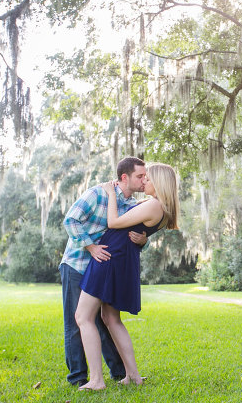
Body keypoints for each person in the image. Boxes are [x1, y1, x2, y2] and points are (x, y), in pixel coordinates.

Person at [74, 162, 180, 391]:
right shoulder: (158, 208)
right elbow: (137, 229)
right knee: (111, 318)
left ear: (159, 183)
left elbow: (113, 222)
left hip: (109, 259)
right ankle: (133, 376)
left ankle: (96, 380)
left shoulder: (154, 205)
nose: (144, 182)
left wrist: (111, 193)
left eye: (148, 179)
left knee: (83, 317)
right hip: (120, 258)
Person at [59, 156, 149, 388]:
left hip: (102, 269)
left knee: (105, 320)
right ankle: (78, 377)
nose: (144, 180)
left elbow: (127, 236)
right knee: (75, 322)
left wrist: (142, 241)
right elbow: (71, 221)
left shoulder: (133, 205)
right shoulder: (97, 193)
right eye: (140, 176)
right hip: (77, 263)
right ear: (124, 177)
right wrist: (90, 246)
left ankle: (119, 372)